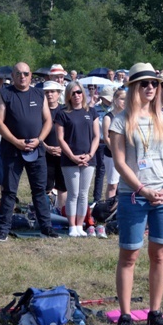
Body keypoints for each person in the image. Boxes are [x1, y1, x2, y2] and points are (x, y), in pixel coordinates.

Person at [108, 62, 163, 325]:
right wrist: (142, 190)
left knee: (159, 255)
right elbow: (120, 163)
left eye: (154, 83)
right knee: (129, 255)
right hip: (134, 196)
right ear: (134, 87)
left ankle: (155, 312)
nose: (151, 88)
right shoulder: (120, 121)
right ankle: (125, 314)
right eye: (145, 83)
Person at [0, 62, 60, 242]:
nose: (22, 77)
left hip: (36, 149)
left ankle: (46, 228)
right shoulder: (5, 94)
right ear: (13, 76)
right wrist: (16, 142)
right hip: (12, 149)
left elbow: (48, 121)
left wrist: (39, 140)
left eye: (25, 73)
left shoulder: (39, 94)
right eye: (18, 73)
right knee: (9, 191)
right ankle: (3, 230)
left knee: (40, 190)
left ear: (30, 75)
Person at [55, 81, 100, 237]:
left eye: (79, 92)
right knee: (73, 194)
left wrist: (90, 155)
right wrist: (73, 157)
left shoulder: (92, 112)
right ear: (68, 95)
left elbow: (96, 136)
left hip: (88, 159)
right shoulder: (62, 113)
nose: (77, 95)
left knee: (83, 194)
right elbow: (60, 139)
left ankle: (81, 225)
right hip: (69, 159)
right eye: (73, 93)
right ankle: (72, 226)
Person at [42, 81, 67, 210]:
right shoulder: (39, 111)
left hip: (63, 154)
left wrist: (62, 148)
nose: (50, 94)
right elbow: (35, 132)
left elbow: (70, 133)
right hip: (45, 153)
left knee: (63, 186)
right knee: (45, 186)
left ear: (59, 94)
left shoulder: (65, 110)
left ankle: (61, 212)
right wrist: (47, 147)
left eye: (52, 92)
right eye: (47, 92)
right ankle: (46, 214)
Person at [102, 88, 126, 200]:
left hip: (127, 154)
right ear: (115, 100)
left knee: (125, 184)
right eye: (122, 99)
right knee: (113, 184)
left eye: (126, 99)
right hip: (112, 155)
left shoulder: (128, 116)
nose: (124, 101)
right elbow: (107, 138)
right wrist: (117, 153)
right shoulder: (108, 117)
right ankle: (109, 210)